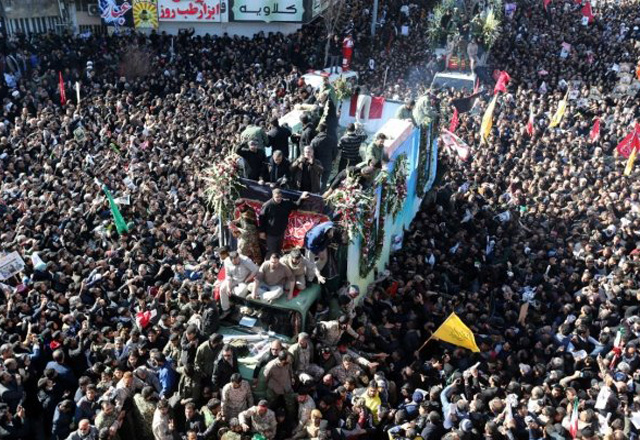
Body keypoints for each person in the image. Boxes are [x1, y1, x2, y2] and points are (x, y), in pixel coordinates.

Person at [259, 188, 310, 257]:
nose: (279, 199)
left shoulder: (286, 203)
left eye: (280, 197)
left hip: (281, 233)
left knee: (278, 251)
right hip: (271, 234)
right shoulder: (267, 205)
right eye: (277, 197)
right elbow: (262, 219)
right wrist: (262, 231)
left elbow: (296, 205)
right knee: (271, 253)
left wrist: (302, 198)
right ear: (273, 196)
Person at [219, 251, 259, 317]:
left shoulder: (246, 260)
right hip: (233, 279)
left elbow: (255, 269)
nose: (237, 262)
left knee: (240, 293)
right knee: (222, 289)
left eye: (237, 260)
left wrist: (248, 278)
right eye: (234, 261)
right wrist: (228, 287)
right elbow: (228, 275)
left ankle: (234, 302)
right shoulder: (226, 261)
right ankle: (226, 310)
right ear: (230, 259)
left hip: (245, 280)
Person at [310, 123, 338, 190]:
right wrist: (332, 159)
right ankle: (321, 194)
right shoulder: (331, 139)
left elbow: (311, 153)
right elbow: (335, 151)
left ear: (319, 130)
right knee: (324, 181)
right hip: (328, 163)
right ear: (326, 129)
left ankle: (316, 194)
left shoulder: (314, 140)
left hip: (317, 164)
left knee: (316, 180)